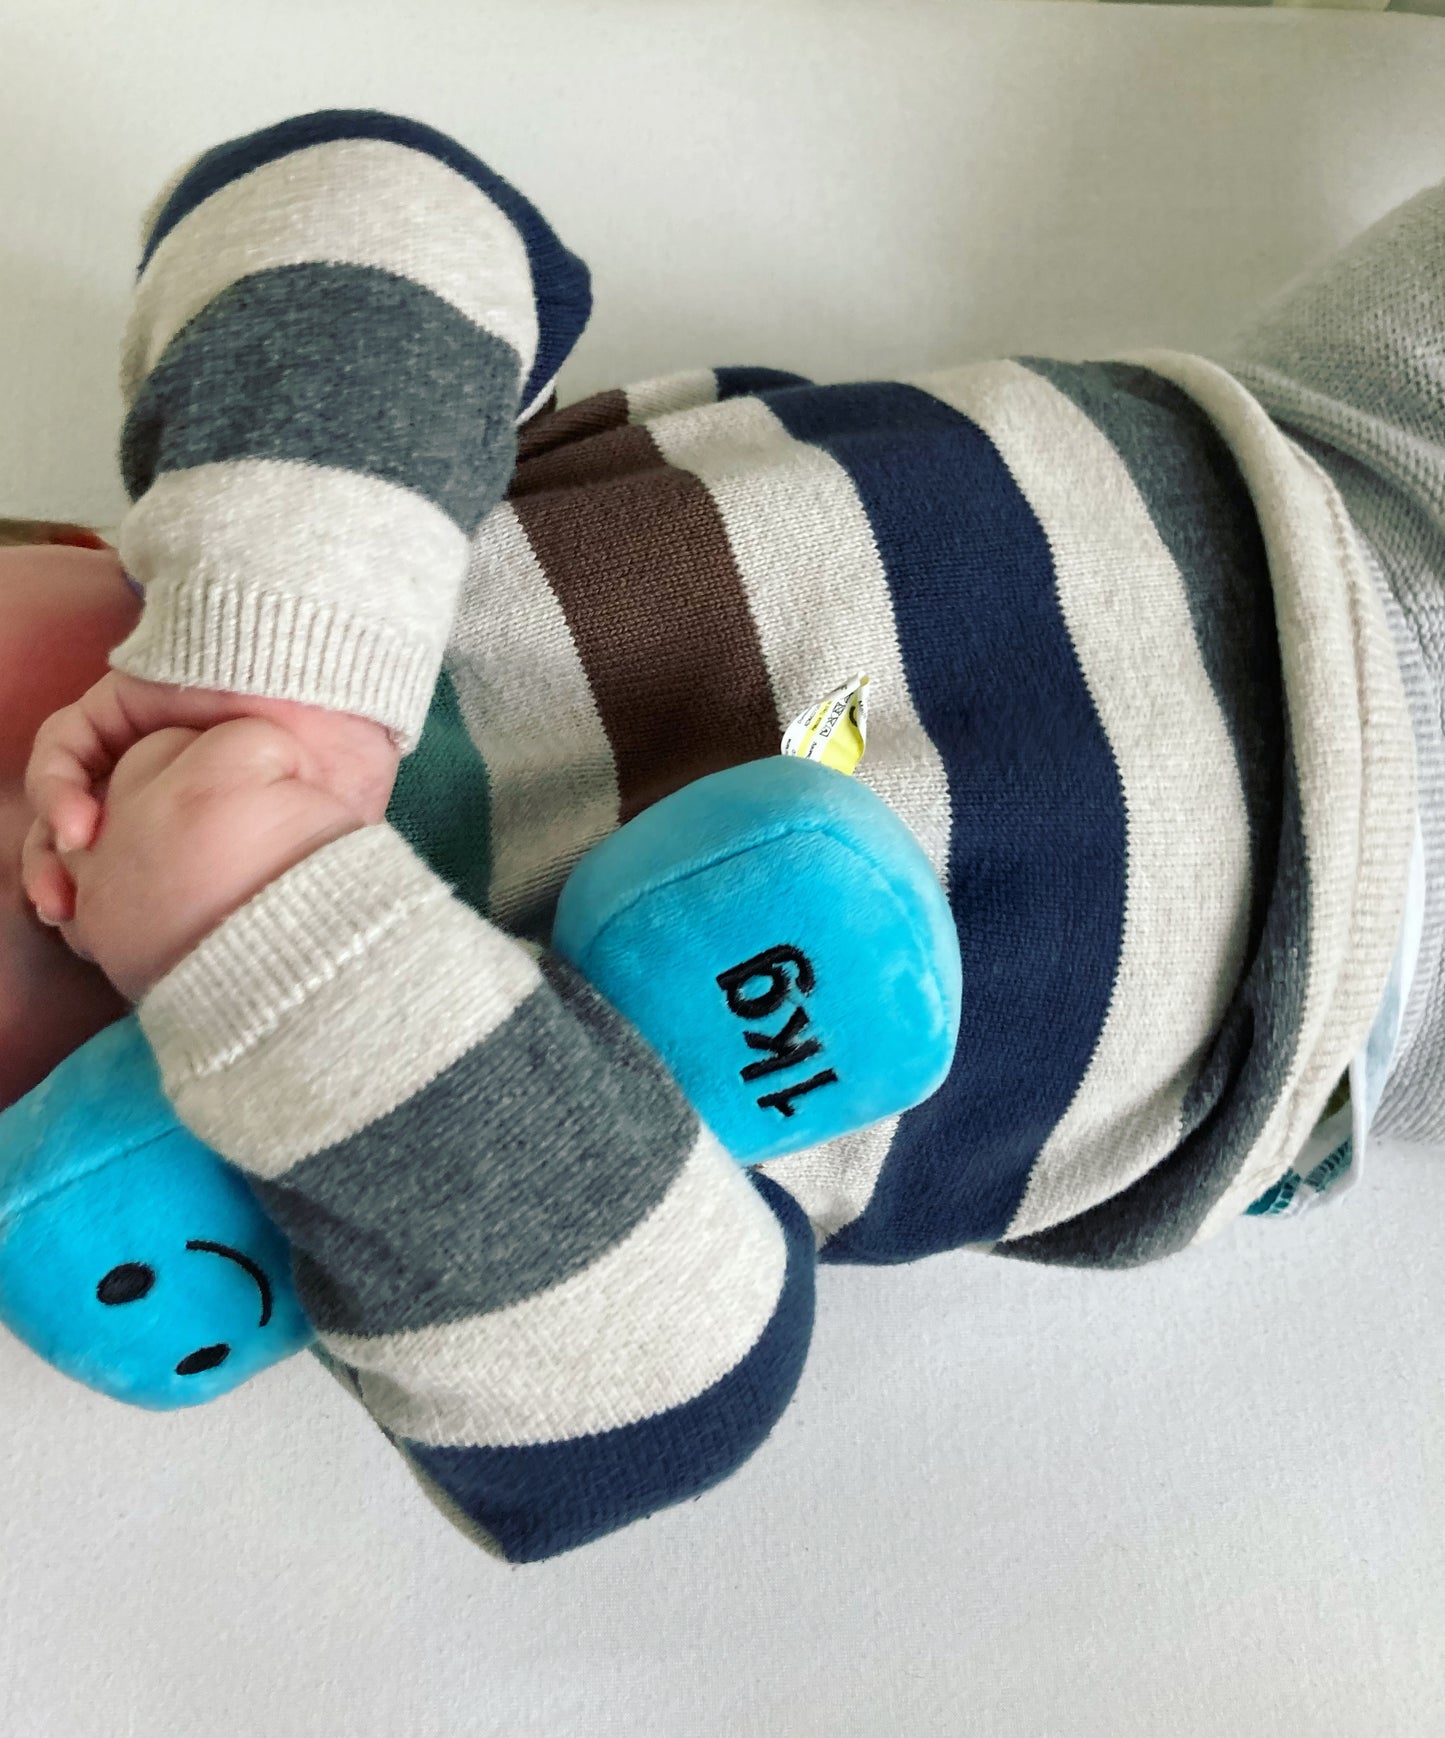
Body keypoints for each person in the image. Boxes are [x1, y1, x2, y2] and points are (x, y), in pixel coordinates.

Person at [5, 109, 1438, 1561]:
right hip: (1377, 931)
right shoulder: (385, 1171)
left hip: (1332, 445)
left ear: (71, 545)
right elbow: (654, 1398)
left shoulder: (348, 518)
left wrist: (264, 638)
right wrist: (266, 945)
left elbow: (382, 195)